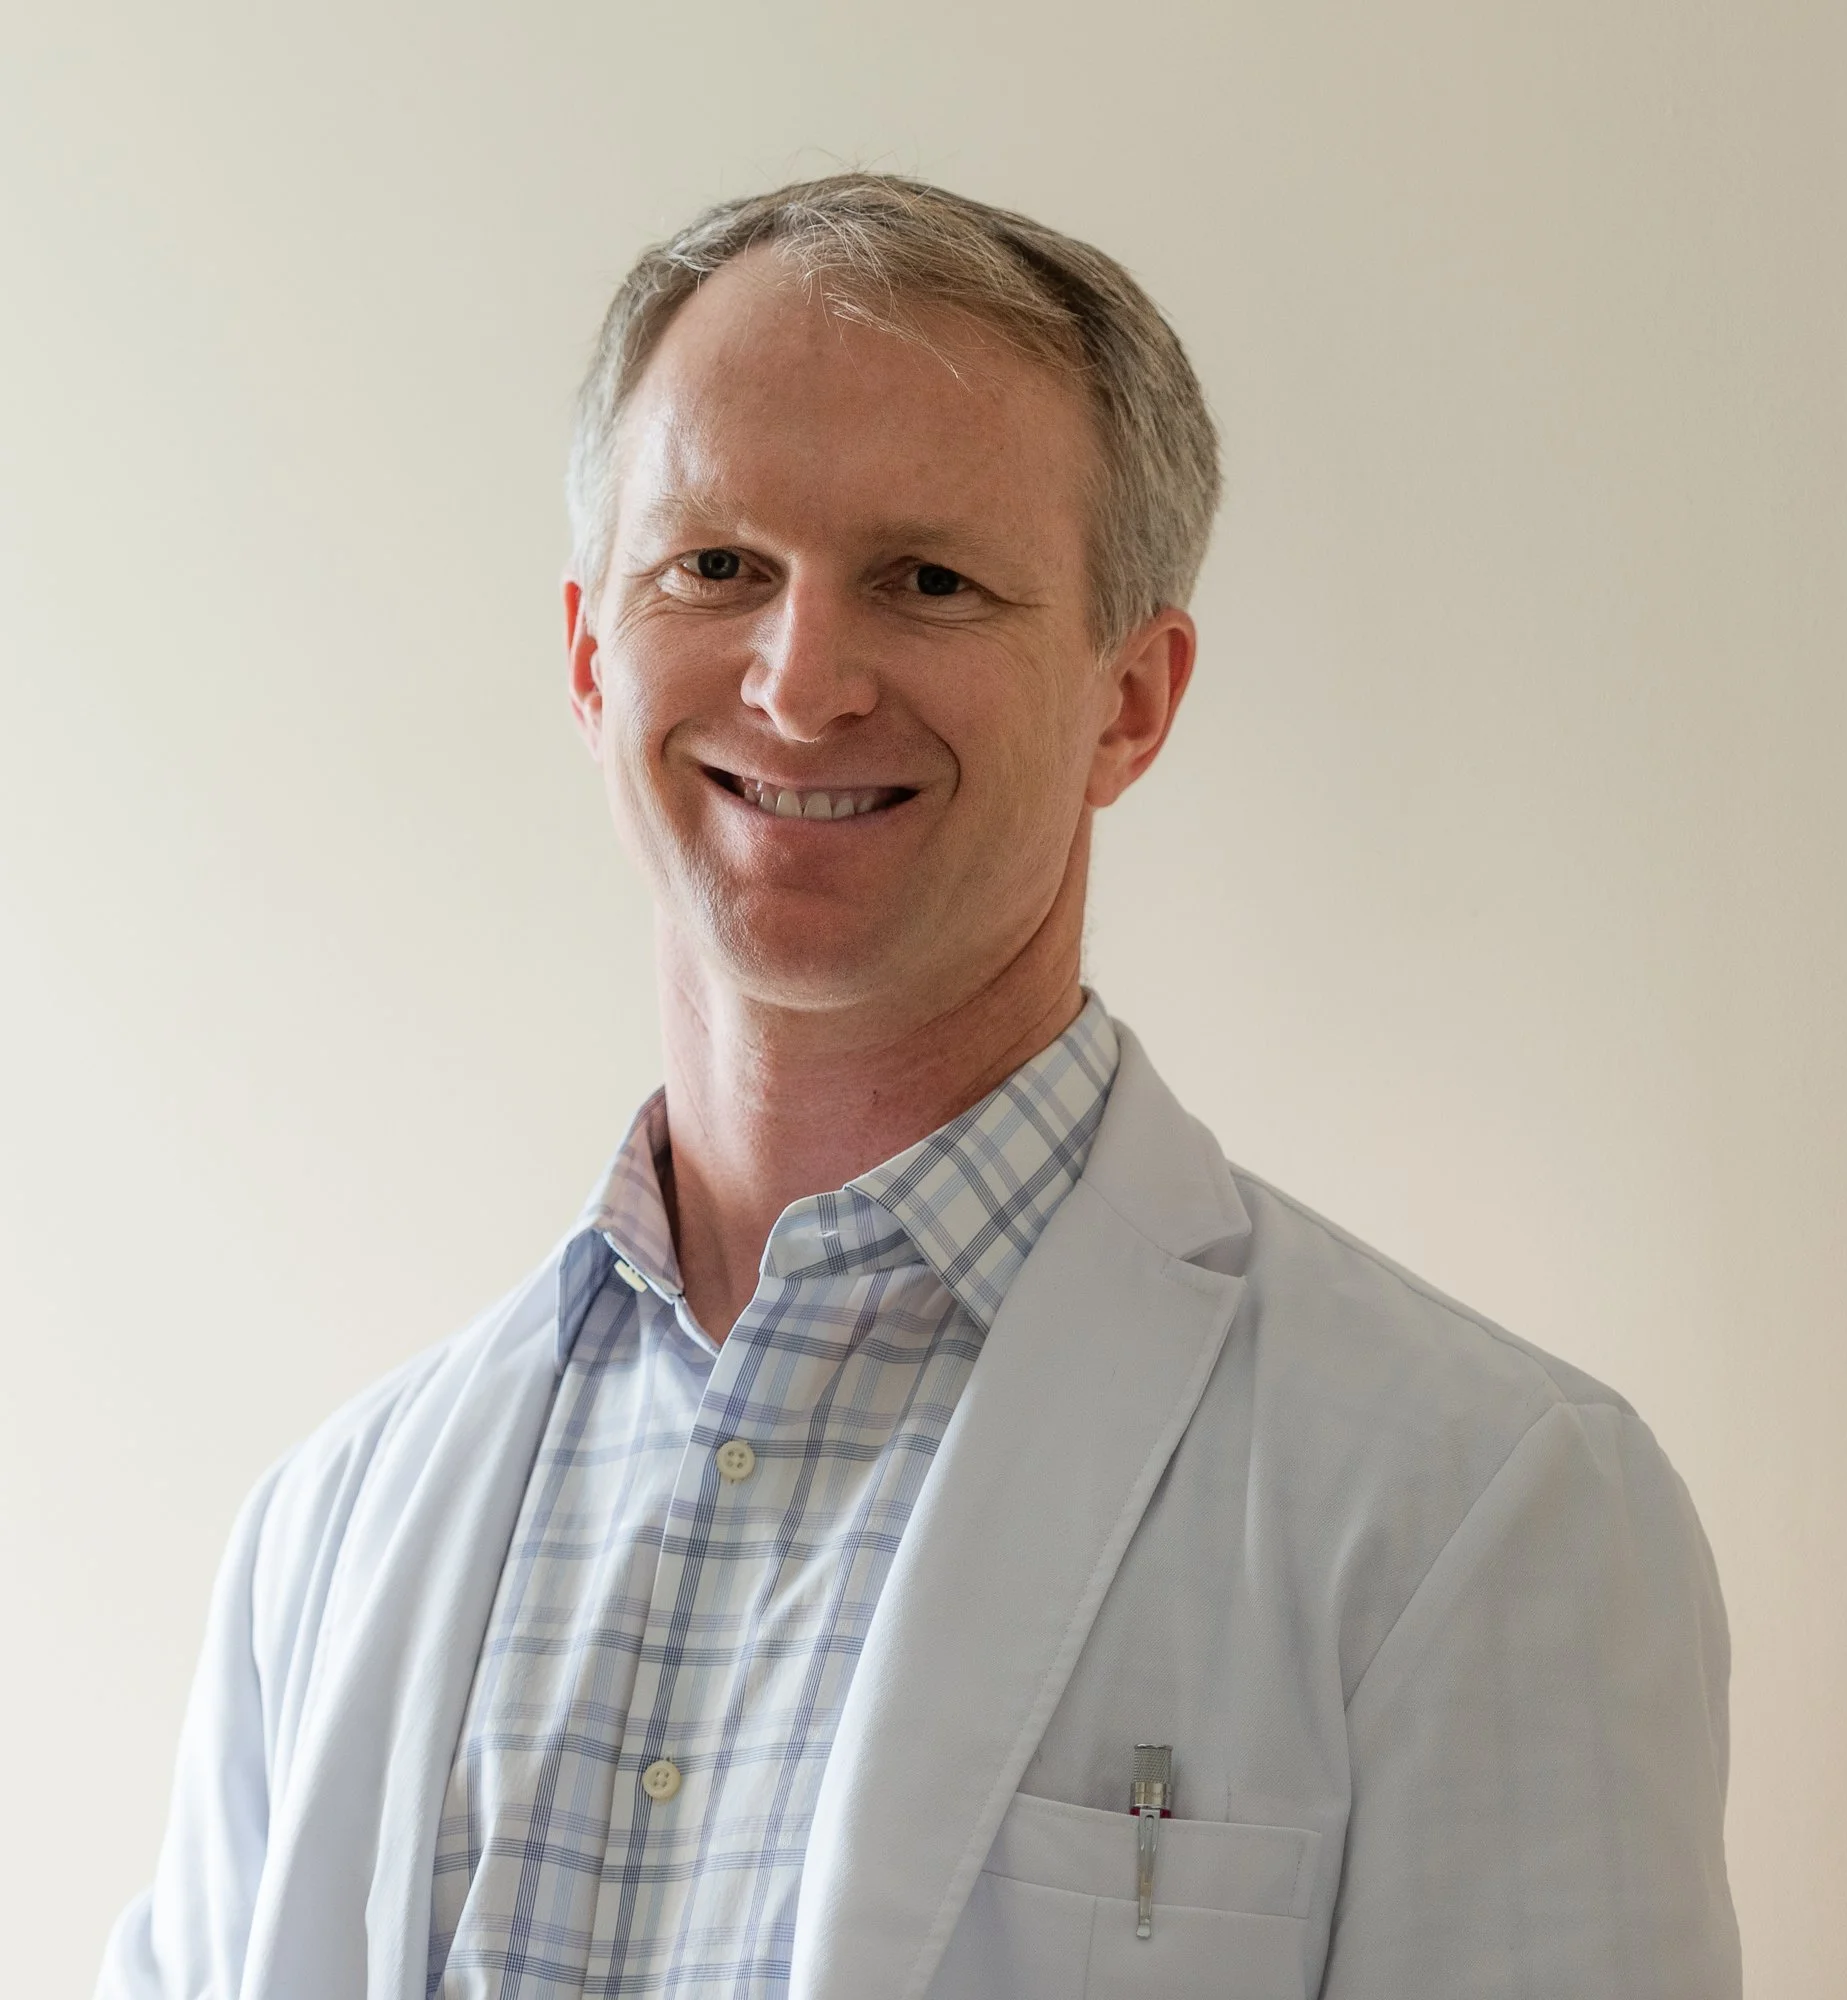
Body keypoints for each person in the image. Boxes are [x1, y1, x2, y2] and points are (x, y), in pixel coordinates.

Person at [98, 174, 1739, 2000]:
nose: (799, 684)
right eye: (715, 567)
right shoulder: (324, 1534)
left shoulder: (1481, 1505)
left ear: (1131, 700)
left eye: (929, 580)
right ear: (587, 655)